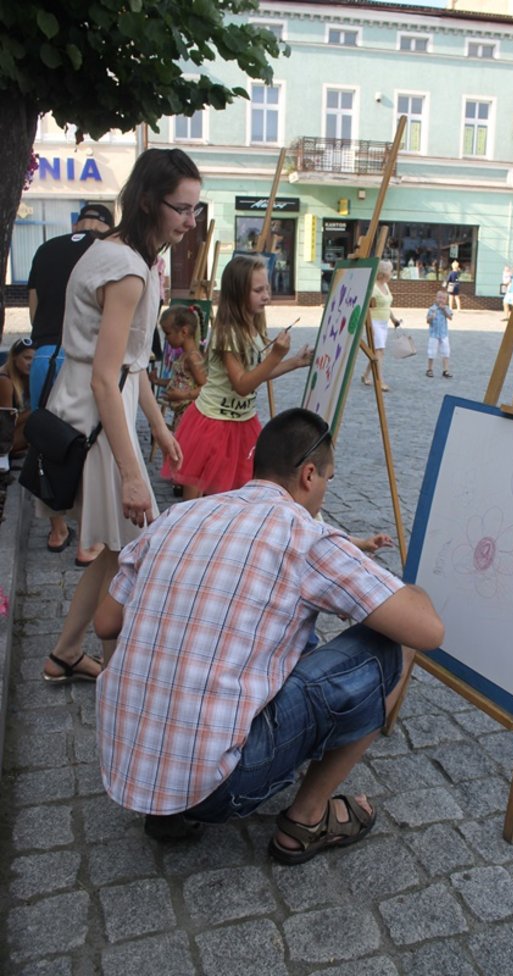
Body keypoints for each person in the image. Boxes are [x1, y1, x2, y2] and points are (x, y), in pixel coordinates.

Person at [94, 407, 445, 858]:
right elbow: (428, 630)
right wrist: (411, 589)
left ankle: (168, 810)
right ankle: (308, 818)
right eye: (329, 480)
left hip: (124, 764)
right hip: (220, 787)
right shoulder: (305, 535)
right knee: (395, 645)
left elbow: (105, 622)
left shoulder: (178, 516)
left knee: (273, 636)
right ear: (310, 476)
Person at [41, 147, 198, 684]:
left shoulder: (125, 253)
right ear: (151, 202)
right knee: (133, 549)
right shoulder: (128, 268)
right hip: (95, 420)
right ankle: (119, 673)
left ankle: (65, 654)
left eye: (195, 209)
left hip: (105, 411)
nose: (190, 221)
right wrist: (134, 474)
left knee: (114, 551)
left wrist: (156, 425)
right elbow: (106, 377)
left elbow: (130, 365)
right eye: (182, 209)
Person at [162, 254, 311, 501]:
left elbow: (256, 374)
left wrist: (294, 362)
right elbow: (243, 385)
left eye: (267, 287)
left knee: (236, 491)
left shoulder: (252, 327)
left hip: (242, 421)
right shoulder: (228, 333)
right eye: (258, 290)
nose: (266, 295)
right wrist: (275, 355)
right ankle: (193, 529)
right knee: (198, 486)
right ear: (238, 293)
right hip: (214, 421)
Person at [27, 203, 114, 562]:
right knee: (89, 446)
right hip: (84, 360)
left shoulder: (46, 248)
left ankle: (57, 530)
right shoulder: (107, 250)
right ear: (107, 225)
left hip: (45, 355)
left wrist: (46, 338)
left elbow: (33, 306)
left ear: (76, 222)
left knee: (46, 443)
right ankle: (88, 540)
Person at [156, 304, 207, 429]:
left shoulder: (193, 358)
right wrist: (157, 381)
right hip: (181, 414)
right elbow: (179, 381)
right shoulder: (183, 356)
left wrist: (183, 396)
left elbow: (206, 386)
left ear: (184, 332)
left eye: (168, 333)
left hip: (190, 416)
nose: (166, 339)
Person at [361, 259, 401, 392]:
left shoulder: (386, 286)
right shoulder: (373, 288)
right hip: (374, 323)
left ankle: (366, 375)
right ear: (382, 274)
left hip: (384, 323)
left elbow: (387, 306)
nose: (392, 273)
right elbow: (365, 306)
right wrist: (368, 326)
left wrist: (394, 319)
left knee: (375, 352)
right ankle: (379, 381)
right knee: (380, 351)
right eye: (390, 271)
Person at [0, 337, 34, 457]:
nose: (30, 363)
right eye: (27, 358)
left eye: (34, 359)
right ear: (14, 357)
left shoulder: (24, 376)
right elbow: (7, 424)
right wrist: (34, 410)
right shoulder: (5, 380)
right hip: (4, 440)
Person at [425, 290, 454, 379]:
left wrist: (444, 309)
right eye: (439, 297)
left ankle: (445, 370)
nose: (441, 300)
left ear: (446, 300)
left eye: (443, 298)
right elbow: (427, 321)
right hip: (434, 334)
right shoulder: (432, 308)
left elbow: (450, 317)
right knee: (432, 352)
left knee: (446, 351)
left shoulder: (446, 308)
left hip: (444, 334)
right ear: (436, 298)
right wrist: (431, 317)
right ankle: (429, 369)